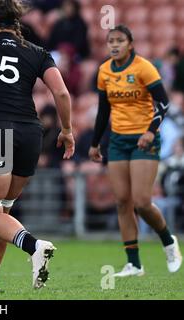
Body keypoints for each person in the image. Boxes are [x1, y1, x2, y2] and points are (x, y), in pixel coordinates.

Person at [0, 0, 74, 293]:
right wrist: (67, 130)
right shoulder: (37, 52)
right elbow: (60, 91)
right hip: (30, 133)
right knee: (0, 211)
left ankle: (34, 246)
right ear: (17, 22)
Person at [89, 25, 182, 277]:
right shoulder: (104, 71)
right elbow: (103, 110)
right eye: (111, 41)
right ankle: (134, 264)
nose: (114, 45)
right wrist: (95, 143)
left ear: (130, 43)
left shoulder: (144, 67)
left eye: (120, 40)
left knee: (142, 202)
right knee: (122, 202)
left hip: (145, 139)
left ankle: (168, 241)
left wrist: (151, 130)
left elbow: (163, 102)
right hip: (118, 141)